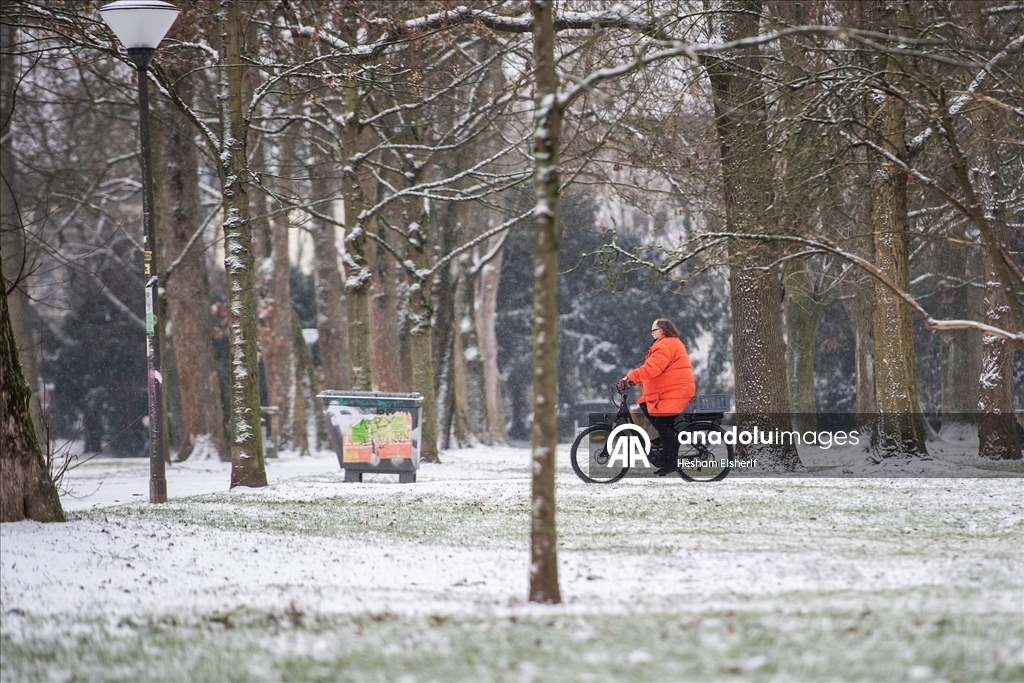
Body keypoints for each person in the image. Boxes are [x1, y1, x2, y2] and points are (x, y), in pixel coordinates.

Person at [618, 318, 696, 476]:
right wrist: (636, 380)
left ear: (661, 330)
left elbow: (652, 368)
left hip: (674, 393)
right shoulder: (670, 343)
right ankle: (664, 444)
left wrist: (630, 378)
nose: (652, 333)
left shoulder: (664, 345)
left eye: (653, 330)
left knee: (662, 423)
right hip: (671, 391)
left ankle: (670, 461)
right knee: (644, 405)